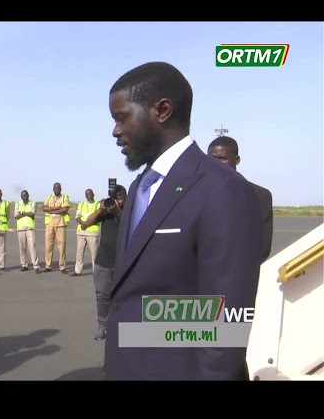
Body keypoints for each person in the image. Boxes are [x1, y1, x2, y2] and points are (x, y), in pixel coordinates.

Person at [105, 61, 263, 380]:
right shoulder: (140, 187)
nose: (116, 131)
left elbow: (225, 322)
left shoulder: (223, 189)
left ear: (162, 110)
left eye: (122, 118)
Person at [207, 136, 273, 262]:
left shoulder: (260, 196)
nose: (215, 164)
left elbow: (263, 247)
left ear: (236, 160)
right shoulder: (197, 192)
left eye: (222, 158)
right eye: (211, 159)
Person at [78, 185, 127, 340]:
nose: (117, 201)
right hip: (103, 262)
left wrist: (118, 211)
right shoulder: (105, 213)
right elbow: (86, 223)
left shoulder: (130, 210)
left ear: (125, 196)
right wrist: (101, 209)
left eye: (120, 197)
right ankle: (102, 326)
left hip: (123, 262)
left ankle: (121, 327)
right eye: (114, 197)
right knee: (102, 296)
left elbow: (127, 224)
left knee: (123, 297)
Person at [42, 182, 71, 274]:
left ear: (61, 189)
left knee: (61, 246)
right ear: (53, 189)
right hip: (50, 224)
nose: (57, 190)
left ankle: (62, 266)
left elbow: (65, 209)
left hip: (60, 224)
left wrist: (51, 209)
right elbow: (44, 208)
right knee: (48, 246)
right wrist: (57, 208)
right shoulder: (49, 197)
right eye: (55, 188)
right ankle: (48, 265)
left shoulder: (65, 197)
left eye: (58, 188)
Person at [71, 189, 101, 277]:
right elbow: (77, 217)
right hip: (81, 231)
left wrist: (87, 224)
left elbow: (98, 218)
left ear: (93, 194)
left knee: (94, 253)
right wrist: (83, 224)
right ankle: (78, 270)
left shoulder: (98, 205)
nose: (89, 196)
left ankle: (96, 271)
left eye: (90, 194)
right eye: (87, 194)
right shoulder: (81, 204)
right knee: (79, 252)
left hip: (92, 232)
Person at [14, 190, 41, 274]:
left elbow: (32, 214)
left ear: (28, 195)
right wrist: (26, 213)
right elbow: (16, 216)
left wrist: (22, 212)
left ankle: (35, 265)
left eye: (25, 196)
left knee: (32, 246)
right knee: (22, 248)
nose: (24, 197)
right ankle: (24, 265)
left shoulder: (33, 203)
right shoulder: (17, 204)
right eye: (22, 196)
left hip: (30, 228)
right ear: (21, 196)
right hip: (21, 228)